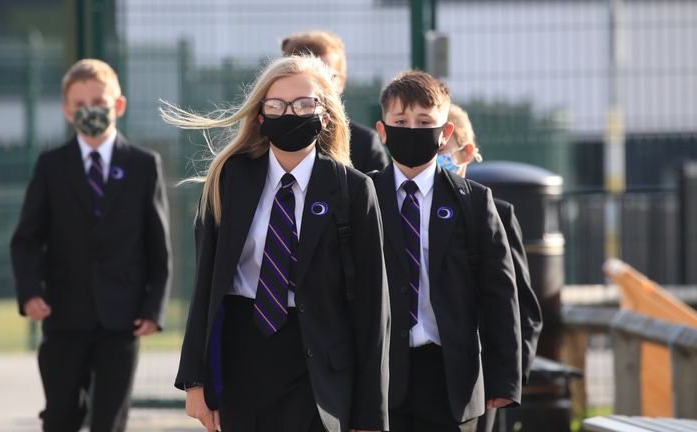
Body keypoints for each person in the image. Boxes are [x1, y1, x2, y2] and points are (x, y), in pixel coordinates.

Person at [163, 55, 389, 432]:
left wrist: (370, 416)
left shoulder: (352, 189)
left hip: (319, 369)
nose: (290, 113)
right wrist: (194, 380)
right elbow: (205, 285)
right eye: (277, 105)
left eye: (304, 104)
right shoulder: (229, 179)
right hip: (242, 360)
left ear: (326, 116)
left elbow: (372, 311)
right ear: (260, 117)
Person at [10, 58, 172, 432]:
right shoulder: (51, 166)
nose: (90, 111)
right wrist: (30, 292)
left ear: (118, 106)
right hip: (64, 314)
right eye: (80, 105)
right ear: (68, 111)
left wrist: (154, 307)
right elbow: (27, 238)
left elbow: (157, 244)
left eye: (98, 101)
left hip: (123, 318)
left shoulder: (144, 165)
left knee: (110, 418)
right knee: (61, 414)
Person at [370, 71, 522, 432]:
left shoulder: (473, 201)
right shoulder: (362, 196)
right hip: (379, 377)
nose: (412, 128)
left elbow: (500, 292)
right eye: (401, 121)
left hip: (451, 377)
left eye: (425, 122)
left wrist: (503, 379)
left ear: (445, 134)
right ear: (382, 130)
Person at [439, 104, 543, 432]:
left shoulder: (493, 212)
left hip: (479, 386)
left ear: (466, 153)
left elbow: (522, 310)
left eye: (442, 148)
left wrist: (505, 382)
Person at [281, 30, 389, 174]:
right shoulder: (269, 136)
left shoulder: (364, 143)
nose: (316, 86)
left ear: (342, 82)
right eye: (304, 78)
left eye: (326, 76)